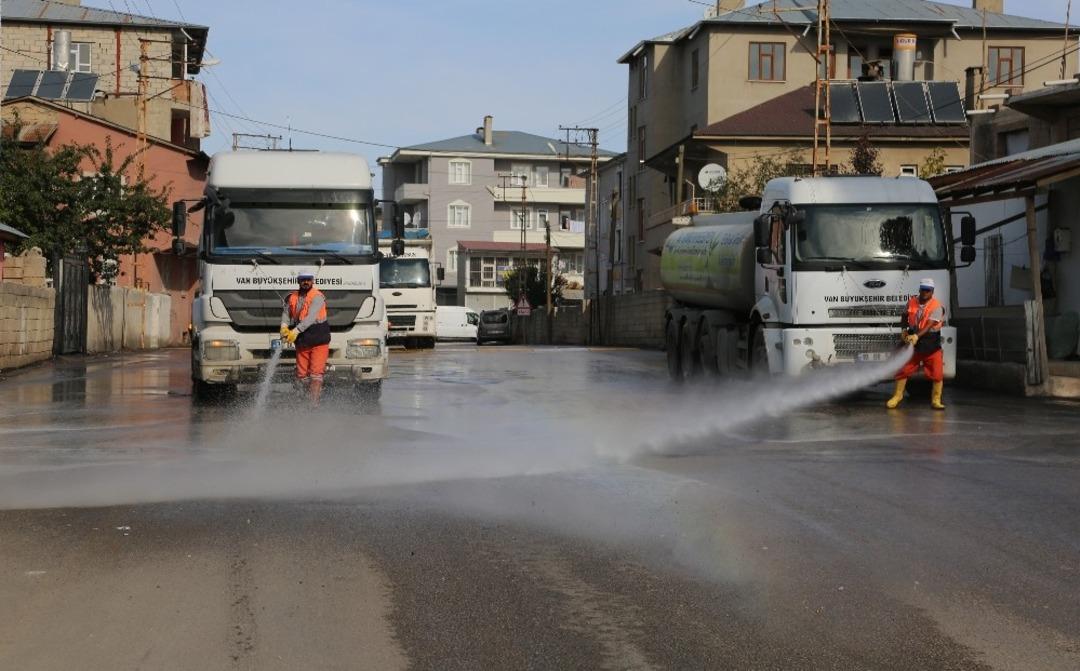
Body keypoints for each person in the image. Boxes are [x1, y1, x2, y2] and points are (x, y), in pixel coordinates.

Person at [886, 278, 946, 410]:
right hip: (915, 345)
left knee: (937, 373)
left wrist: (916, 336)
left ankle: (936, 400)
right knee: (904, 370)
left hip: (931, 344)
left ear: (932, 292)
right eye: (923, 289)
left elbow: (929, 325)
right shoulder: (911, 302)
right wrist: (904, 330)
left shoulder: (936, 306)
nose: (924, 292)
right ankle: (897, 396)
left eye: (927, 290)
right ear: (919, 290)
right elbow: (904, 316)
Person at [280, 270, 332, 407]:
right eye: (303, 279)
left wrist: (295, 331)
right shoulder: (291, 296)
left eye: (308, 279)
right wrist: (284, 327)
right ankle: (302, 400)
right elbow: (286, 313)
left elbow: (311, 317)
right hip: (303, 340)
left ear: (312, 281)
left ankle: (313, 404)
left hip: (319, 338)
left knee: (316, 374)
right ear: (298, 281)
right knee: (301, 375)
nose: (306, 282)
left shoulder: (318, 296)